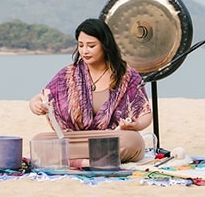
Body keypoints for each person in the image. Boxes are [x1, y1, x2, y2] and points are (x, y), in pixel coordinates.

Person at [29, 17, 153, 164]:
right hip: (76, 137)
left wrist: (136, 125)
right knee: (39, 141)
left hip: (110, 137)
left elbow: (145, 113)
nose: (85, 51)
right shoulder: (69, 74)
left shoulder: (126, 75)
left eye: (91, 46)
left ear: (105, 45)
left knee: (133, 141)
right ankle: (91, 162)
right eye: (81, 45)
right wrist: (36, 106)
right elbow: (39, 98)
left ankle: (75, 161)